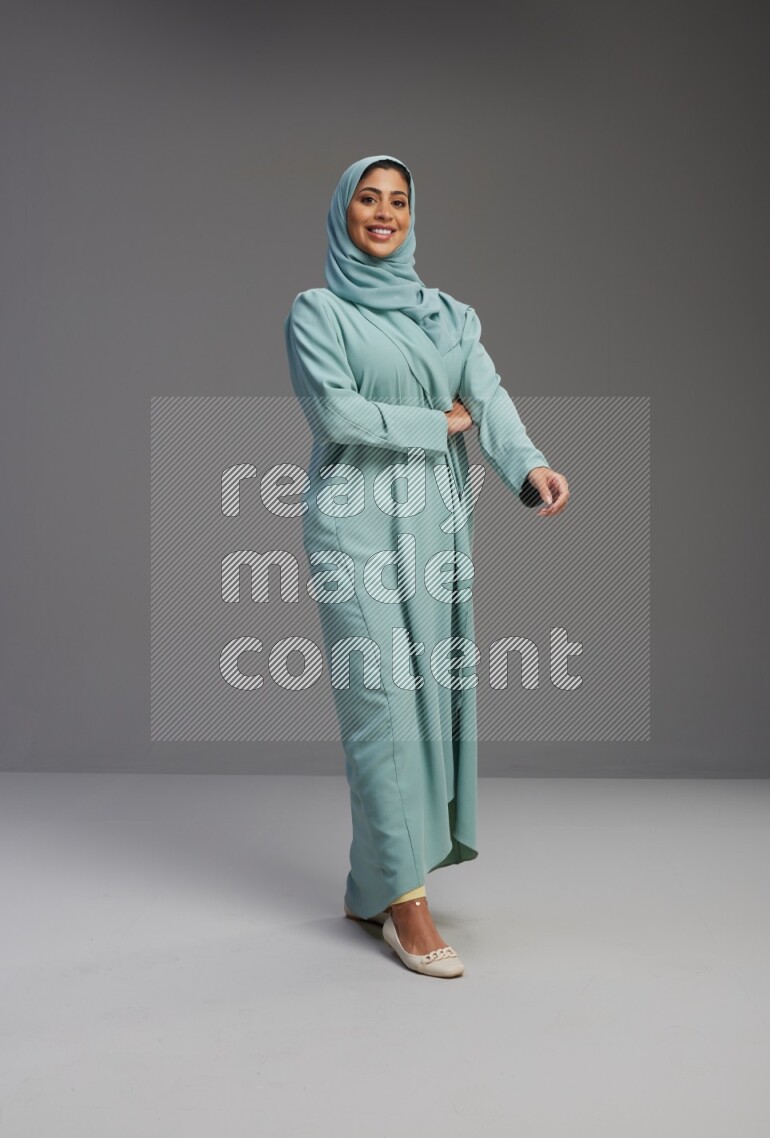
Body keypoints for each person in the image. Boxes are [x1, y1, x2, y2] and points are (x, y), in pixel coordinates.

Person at [284, 154, 569, 978]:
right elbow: (334, 410)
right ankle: (407, 904)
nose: (383, 213)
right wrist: (434, 426)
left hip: (437, 524)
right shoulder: (318, 311)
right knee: (381, 703)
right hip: (353, 518)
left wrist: (528, 464)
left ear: (412, 216)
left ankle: (372, 882)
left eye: (397, 201)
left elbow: (489, 399)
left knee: (430, 701)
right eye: (367, 200)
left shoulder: (451, 315)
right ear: (344, 212)